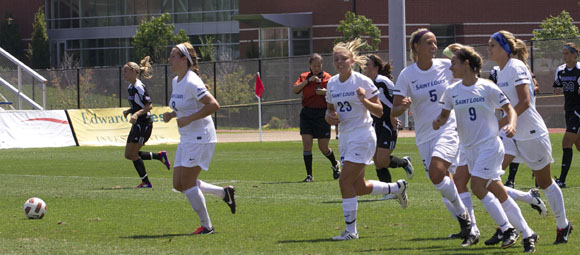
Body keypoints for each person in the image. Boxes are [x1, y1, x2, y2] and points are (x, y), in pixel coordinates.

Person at [433, 46, 538, 252]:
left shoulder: (487, 87)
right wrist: (438, 121)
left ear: (466, 64)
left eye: (454, 62)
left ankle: (511, 230)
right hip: (469, 148)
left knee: (478, 186)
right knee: (494, 189)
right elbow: (444, 116)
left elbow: (509, 109)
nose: (450, 67)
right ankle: (525, 232)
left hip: (489, 146)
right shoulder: (452, 91)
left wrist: (512, 124)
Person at [488, 30, 572, 244]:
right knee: (487, 178)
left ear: (505, 49)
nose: (489, 49)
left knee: (545, 183)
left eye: (492, 45)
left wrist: (502, 122)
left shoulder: (515, 67)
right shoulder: (500, 70)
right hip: (510, 134)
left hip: (530, 133)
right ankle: (507, 227)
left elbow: (525, 102)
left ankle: (563, 225)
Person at [391, 29, 472, 244]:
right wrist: (402, 106)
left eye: (435, 42)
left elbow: (470, 73)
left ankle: (468, 221)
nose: (434, 46)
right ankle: (470, 227)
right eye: (428, 42)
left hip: (448, 128)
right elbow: (394, 110)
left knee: (438, 174)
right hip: (424, 136)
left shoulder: (446, 66)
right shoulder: (407, 74)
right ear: (416, 46)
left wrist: (463, 53)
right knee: (444, 184)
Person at [325, 38, 408, 241]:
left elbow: (380, 111)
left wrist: (363, 99)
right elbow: (329, 111)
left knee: (344, 181)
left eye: (343, 58)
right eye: (336, 59)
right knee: (358, 187)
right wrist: (329, 117)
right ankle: (397, 187)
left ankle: (351, 232)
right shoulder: (332, 83)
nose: (339, 62)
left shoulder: (362, 81)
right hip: (345, 138)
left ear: (352, 60)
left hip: (362, 136)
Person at [162, 42, 236, 235]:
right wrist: (172, 114)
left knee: (187, 184)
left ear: (184, 59)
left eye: (173, 56)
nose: (169, 60)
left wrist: (188, 119)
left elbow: (213, 105)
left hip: (200, 136)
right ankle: (223, 193)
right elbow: (185, 107)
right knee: (178, 185)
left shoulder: (192, 81)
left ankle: (207, 227)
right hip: (187, 137)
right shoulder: (176, 81)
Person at [363, 54, 414, 200]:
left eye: (368, 65)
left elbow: (399, 99)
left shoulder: (383, 82)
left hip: (387, 124)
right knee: (378, 163)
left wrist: (394, 116)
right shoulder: (364, 83)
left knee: (383, 160)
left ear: (376, 68)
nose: (365, 67)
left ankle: (404, 162)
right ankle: (391, 191)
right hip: (373, 125)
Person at [122, 56, 171, 188]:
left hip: (144, 124)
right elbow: (138, 105)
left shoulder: (139, 86)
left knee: (132, 154)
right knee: (128, 154)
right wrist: (129, 111)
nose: (124, 74)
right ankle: (159, 156)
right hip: (138, 124)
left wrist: (136, 114)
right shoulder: (130, 87)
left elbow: (148, 106)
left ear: (133, 71)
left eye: (126, 71)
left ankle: (146, 182)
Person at [293, 53, 341, 182]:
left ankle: (335, 164)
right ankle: (309, 175)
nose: (316, 68)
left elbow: (336, 93)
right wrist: (308, 81)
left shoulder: (328, 78)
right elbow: (295, 90)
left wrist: (326, 92)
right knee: (307, 144)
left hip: (322, 114)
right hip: (307, 114)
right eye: (314, 66)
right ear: (310, 65)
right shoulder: (304, 76)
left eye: (319, 66)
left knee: (323, 147)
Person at [553, 42, 580, 189]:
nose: (564, 56)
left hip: (578, 111)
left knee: (566, 143)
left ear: (575, 54)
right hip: (569, 110)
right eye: (563, 53)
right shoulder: (560, 70)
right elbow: (557, 87)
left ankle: (561, 180)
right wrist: (557, 89)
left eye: (567, 53)